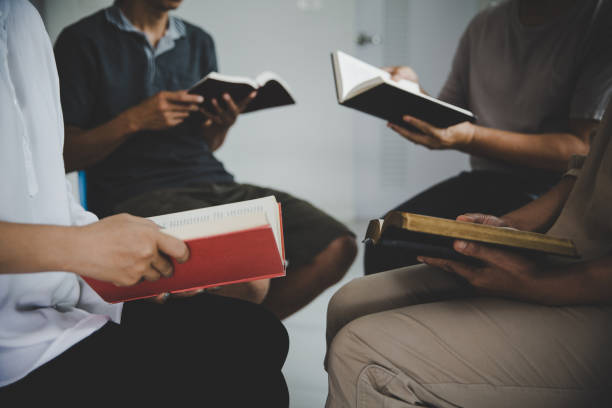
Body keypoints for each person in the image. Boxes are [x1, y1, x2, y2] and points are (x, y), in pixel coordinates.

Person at [0, 1, 289, 405]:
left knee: (261, 332)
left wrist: (125, 265)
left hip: (69, 292)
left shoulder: (24, 20)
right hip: (15, 345)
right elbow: (71, 157)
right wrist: (86, 248)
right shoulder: (82, 41)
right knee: (244, 374)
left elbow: (48, 184)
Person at [54, 0, 357, 319]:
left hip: (212, 182)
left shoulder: (198, 41)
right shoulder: (81, 41)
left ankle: (240, 340)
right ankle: (230, 348)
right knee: (250, 276)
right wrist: (134, 119)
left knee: (337, 246)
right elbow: (65, 155)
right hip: (135, 193)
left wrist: (222, 124)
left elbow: (207, 144)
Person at [324, 100, 612, 406]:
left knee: (363, 356)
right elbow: (583, 175)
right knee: (349, 302)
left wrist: (539, 284)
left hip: (590, 293)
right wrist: (511, 225)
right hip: (562, 254)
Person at [364, 0, 612, 274]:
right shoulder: (484, 24)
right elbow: (450, 118)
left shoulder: (599, 23)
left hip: (555, 189)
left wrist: (470, 138)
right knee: (385, 239)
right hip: (487, 180)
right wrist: (411, 91)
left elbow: (583, 150)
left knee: (419, 252)